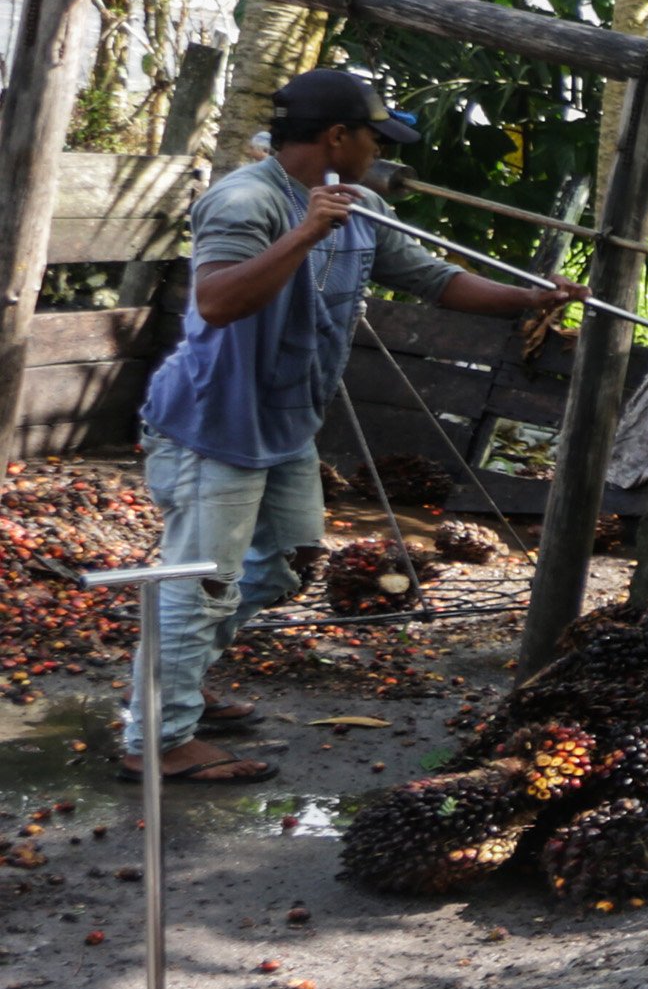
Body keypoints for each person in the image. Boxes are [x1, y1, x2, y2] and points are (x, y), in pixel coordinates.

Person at [120, 66, 581, 781]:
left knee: (287, 564)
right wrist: (306, 232)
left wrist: (528, 297)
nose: (381, 149)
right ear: (337, 135)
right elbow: (214, 302)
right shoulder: (244, 201)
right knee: (201, 583)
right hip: (211, 427)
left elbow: (437, 280)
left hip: (285, 423)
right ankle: (158, 741)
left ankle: (184, 683)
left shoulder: (361, 205)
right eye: (374, 134)